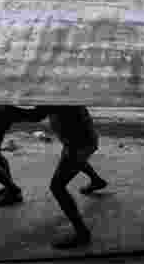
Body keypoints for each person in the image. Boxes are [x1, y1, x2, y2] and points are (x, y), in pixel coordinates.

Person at [32, 105, 108, 249]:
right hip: (81, 140)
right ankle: (96, 181)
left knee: (57, 187)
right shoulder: (63, 91)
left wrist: (5, 110)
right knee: (73, 161)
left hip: (78, 144)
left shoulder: (54, 96)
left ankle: (82, 233)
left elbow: (35, 115)